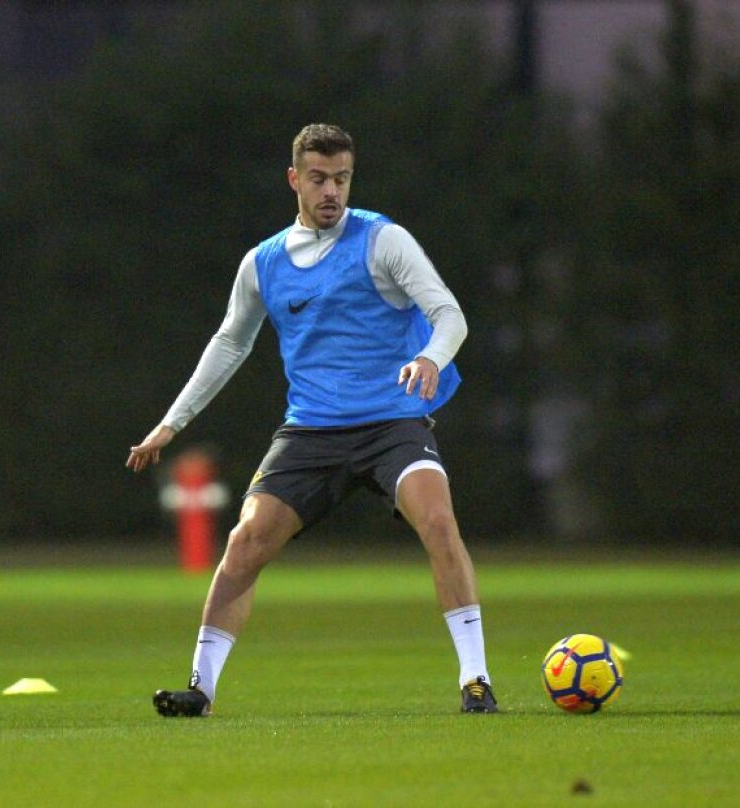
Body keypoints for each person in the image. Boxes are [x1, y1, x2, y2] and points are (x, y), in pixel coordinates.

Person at [127, 124, 496, 716]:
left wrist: (429, 357)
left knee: (437, 521)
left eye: (342, 179)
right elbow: (229, 344)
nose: (332, 192)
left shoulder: (384, 241)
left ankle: (475, 681)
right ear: (295, 180)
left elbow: (449, 314)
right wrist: (171, 424)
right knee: (244, 543)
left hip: (391, 421)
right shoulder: (263, 263)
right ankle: (201, 689)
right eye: (320, 179)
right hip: (311, 432)